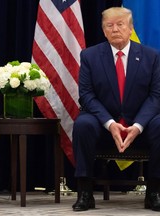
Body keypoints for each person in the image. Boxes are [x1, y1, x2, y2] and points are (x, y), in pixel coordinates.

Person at [72, 7, 160, 212]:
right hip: (103, 125)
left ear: (130, 29)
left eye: (120, 24)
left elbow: (156, 96)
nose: (115, 29)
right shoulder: (89, 56)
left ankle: (154, 192)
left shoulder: (152, 56)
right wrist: (110, 123)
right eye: (109, 25)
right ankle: (85, 192)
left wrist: (137, 126)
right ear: (103, 31)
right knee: (83, 124)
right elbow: (86, 95)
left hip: (141, 126)